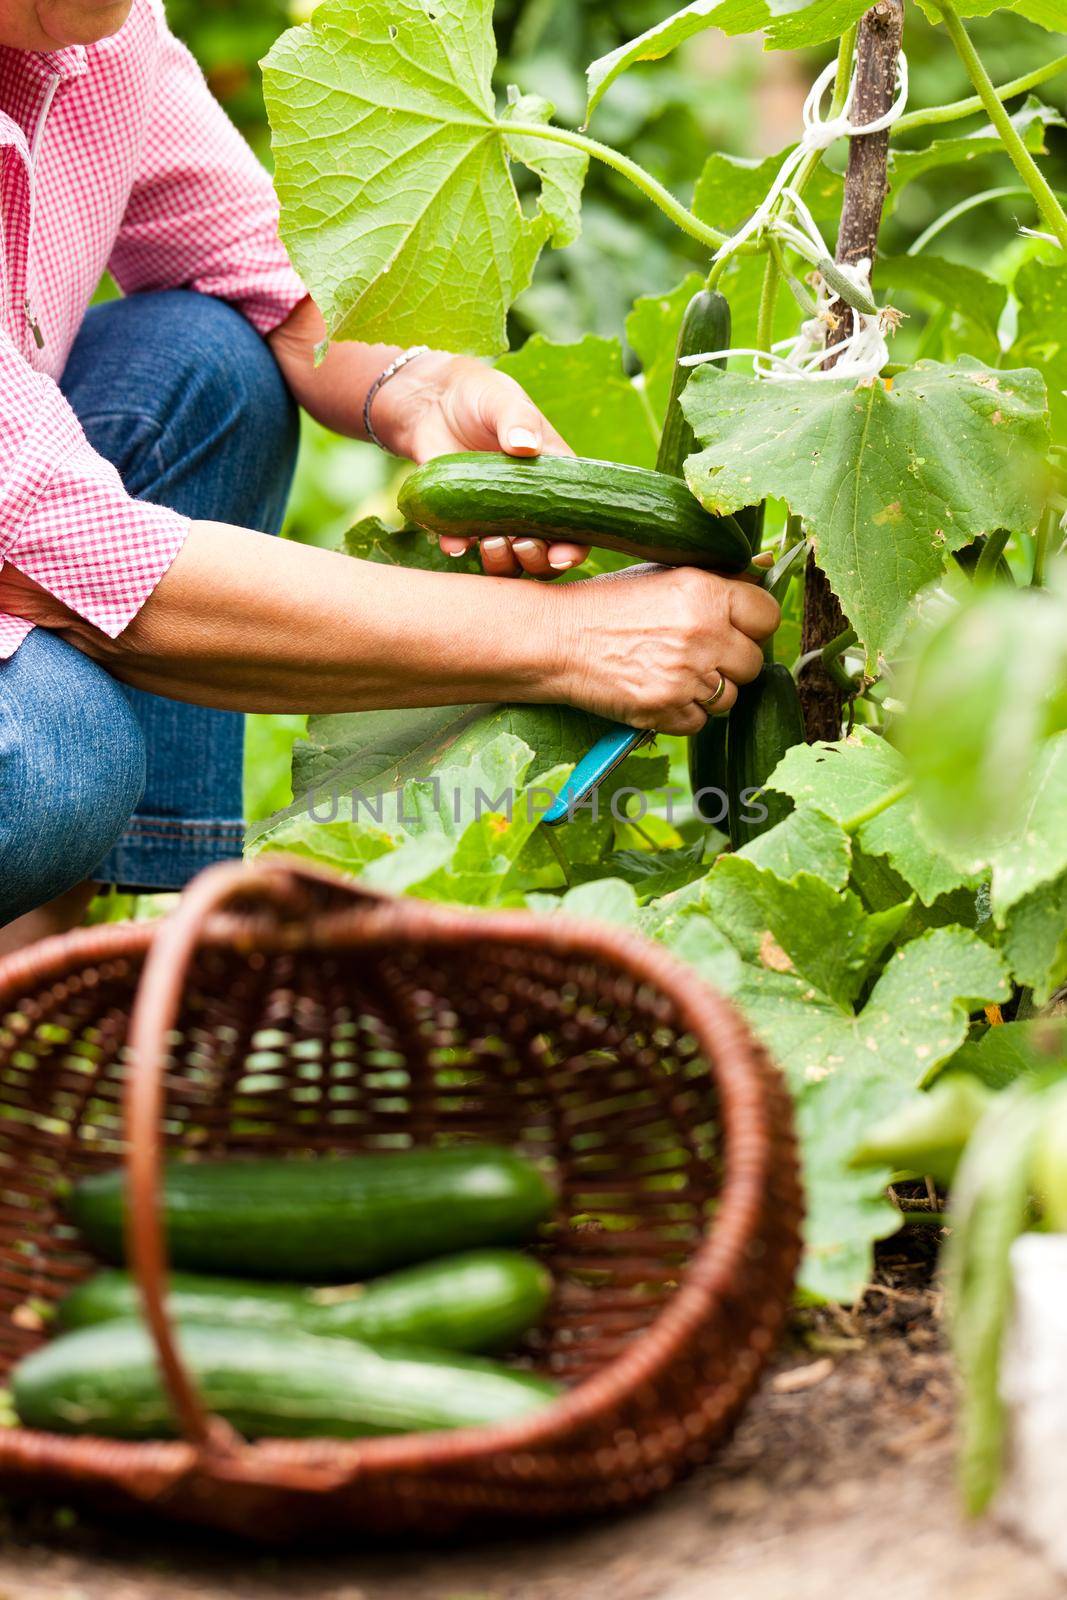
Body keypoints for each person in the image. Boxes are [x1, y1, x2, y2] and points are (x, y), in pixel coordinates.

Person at [0, 0, 779, 951]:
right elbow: (56, 558)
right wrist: (576, 637)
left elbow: (254, 269)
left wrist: (424, 390)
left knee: (204, 361)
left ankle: (55, 986)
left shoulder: (94, 28)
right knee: (58, 751)